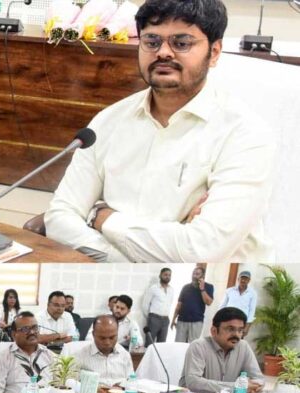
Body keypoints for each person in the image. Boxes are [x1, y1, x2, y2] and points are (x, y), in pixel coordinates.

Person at [45, 0, 274, 262]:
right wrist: (122, 260)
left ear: (214, 52)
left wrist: (101, 218)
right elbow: (59, 217)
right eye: (152, 41)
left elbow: (201, 250)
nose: (163, 53)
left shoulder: (245, 134)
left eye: (182, 43)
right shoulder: (107, 122)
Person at [180, 307, 264, 393]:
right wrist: (236, 387)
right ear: (214, 331)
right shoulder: (199, 346)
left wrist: (255, 388)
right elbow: (194, 383)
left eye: (240, 330)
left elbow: (258, 379)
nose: (236, 335)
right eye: (230, 329)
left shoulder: (243, 346)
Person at [0, 312, 56, 393]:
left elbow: (61, 385)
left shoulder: (50, 356)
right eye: (25, 329)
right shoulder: (2, 358)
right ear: (14, 334)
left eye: (35, 328)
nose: (32, 332)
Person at [72, 315, 134, 391]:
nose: (107, 342)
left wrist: (122, 386)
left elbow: (131, 381)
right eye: (102, 338)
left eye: (112, 337)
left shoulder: (124, 355)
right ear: (93, 334)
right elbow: (71, 384)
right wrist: (95, 389)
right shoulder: (80, 356)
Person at [172, 267, 214, 343]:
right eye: (193, 274)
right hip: (182, 320)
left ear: (202, 276)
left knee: (192, 345)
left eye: (197, 274)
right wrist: (173, 319)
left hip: (196, 321)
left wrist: (202, 289)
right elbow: (179, 304)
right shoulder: (185, 287)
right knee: (178, 344)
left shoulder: (209, 286)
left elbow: (208, 302)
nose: (194, 276)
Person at [142, 267, 175, 345]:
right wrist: (150, 317)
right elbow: (145, 304)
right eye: (165, 274)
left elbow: (170, 303)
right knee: (149, 343)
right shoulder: (153, 288)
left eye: (169, 275)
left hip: (166, 320)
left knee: (162, 344)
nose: (167, 277)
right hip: (154, 319)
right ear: (160, 275)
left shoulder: (171, 289)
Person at [220, 271, 257, 337]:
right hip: (228, 319)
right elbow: (222, 306)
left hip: (241, 322)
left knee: (237, 340)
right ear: (238, 279)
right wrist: (219, 320)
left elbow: (252, 311)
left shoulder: (253, 293)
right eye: (242, 278)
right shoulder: (229, 291)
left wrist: (247, 327)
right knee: (225, 338)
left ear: (249, 280)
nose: (243, 280)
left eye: (246, 279)